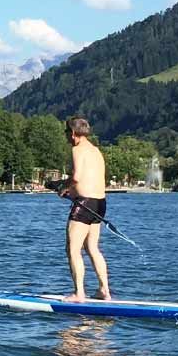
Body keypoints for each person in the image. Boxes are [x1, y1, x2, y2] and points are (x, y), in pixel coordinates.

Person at [56, 117, 110, 302]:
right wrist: (71, 192)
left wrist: (64, 187)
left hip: (84, 204)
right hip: (100, 203)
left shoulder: (77, 149)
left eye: (66, 133)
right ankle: (105, 290)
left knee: (72, 248)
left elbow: (77, 177)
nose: (66, 137)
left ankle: (79, 293)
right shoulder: (96, 151)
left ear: (72, 133)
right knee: (92, 247)